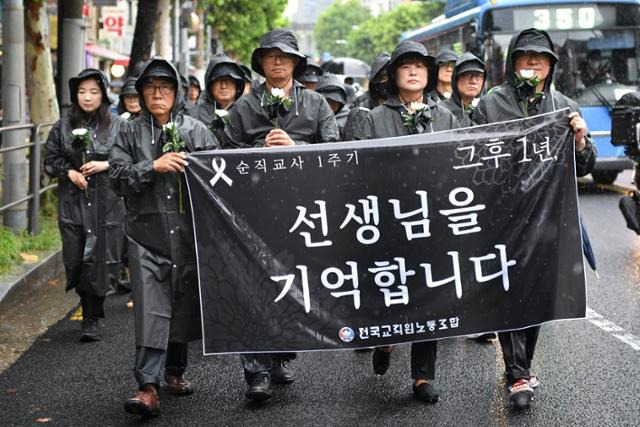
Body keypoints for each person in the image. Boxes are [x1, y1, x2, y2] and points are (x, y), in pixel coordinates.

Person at [473, 28, 596, 409]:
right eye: (525, 56)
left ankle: (522, 364)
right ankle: (518, 373)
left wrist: (579, 140)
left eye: (540, 58)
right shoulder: (490, 106)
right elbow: (468, 160)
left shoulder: (564, 105)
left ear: (551, 66)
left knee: (538, 296)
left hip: (548, 221)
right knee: (506, 291)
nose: (532, 62)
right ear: (512, 63)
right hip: (502, 219)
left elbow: (584, 167)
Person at [223, 28, 339, 401]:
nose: (277, 60)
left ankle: (281, 356)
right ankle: (255, 369)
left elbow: (333, 150)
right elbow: (224, 152)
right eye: (271, 55)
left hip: (300, 211)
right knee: (252, 286)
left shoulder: (316, 105)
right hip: (253, 212)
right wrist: (259, 148)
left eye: (285, 56)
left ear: (294, 63)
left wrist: (296, 146)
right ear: (261, 62)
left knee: (292, 285)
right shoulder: (243, 107)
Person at [109, 57, 219, 417]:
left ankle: (174, 370)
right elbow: (117, 176)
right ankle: (147, 386)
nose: (157, 94)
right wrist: (152, 166)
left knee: (182, 301)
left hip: (188, 235)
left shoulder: (197, 130)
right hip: (145, 235)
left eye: (165, 87)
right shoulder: (128, 131)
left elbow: (219, 176)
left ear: (177, 92)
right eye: (150, 87)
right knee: (151, 308)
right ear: (140, 93)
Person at [357, 41, 459, 404]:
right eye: (406, 66)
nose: (414, 71)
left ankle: (422, 375)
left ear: (429, 75)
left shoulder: (445, 116)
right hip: (386, 220)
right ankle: (383, 339)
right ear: (394, 75)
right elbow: (359, 170)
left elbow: (457, 162)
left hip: (430, 220)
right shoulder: (374, 119)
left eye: (420, 66)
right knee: (388, 286)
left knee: (427, 293)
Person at [44, 68, 127, 342]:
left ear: (103, 94)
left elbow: (131, 159)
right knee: (76, 255)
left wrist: (105, 164)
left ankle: (92, 317)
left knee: (102, 257)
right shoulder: (63, 126)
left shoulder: (117, 125)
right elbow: (50, 158)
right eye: (82, 92)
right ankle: (85, 303)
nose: (87, 97)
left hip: (108, 201)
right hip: (74, 201)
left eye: (93, 91)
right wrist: (69, 172)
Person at [191, 54, 245, 141]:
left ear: (237, 85)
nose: (223, 86)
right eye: (218, 81)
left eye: (228, 80)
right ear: (210, 85)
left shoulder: (248, 111)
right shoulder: (195, 115)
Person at [343, 51, 391, 141]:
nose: (387, 81)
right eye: (383, 77)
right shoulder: (361, 105)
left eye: (390, 77)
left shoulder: (403, 102)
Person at [441, 52, 486, 127]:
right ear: (456, 79)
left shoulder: (488, 108)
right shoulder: (441, 112)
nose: (473, 81)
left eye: (478, 76)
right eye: (467, 75)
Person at [316, 73, 350, 139]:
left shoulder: (347, 118)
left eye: (334, 101)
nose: (330, 105)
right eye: (327, 101)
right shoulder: (312, 119)